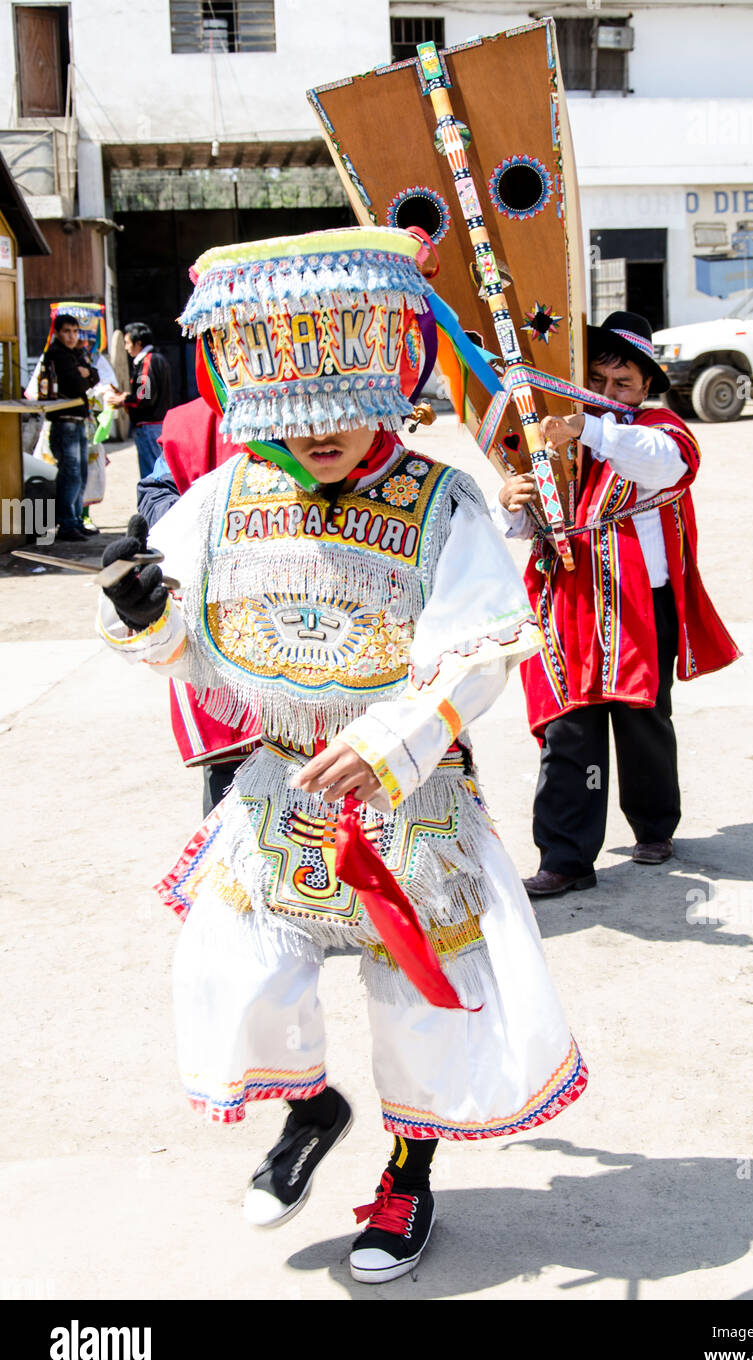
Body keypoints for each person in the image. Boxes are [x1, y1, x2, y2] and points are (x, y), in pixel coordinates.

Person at [96, 228, 587, 1285]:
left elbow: (480, 646)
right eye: (295, 412)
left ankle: (407, 1178)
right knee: (233, 967)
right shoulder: (226, 498)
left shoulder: (439, 498)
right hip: (276, 784)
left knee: (421, 997)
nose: (319, 432)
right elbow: (192, 653)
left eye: (341, 408)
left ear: (386, 386)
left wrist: (389, 739)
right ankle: (311, 1106)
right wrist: (142, 610)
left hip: (409, 804)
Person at [496, 312, 740, 897]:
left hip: (637, 602)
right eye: (597, 381)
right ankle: (566, 858)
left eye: (621, 384)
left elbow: (662, 462)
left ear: (646, 387)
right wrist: (511, 498)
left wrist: (587, 426)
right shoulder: (553, 436)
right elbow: (531, 524)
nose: (606, 395)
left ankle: (655, 827)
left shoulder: (657, 432)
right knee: (568, 729)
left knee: (643, 720)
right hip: (566, 600)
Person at [136, 396, 260, 814]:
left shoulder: (347, 405)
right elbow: (157, 488)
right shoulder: (200, 420)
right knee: (234, 802)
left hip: (331, 650)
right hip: (226, 630)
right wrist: (187, 531)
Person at [43, 313, 99, 542]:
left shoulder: (76, 352)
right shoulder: (56, 353)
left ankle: (76, 520)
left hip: (78, 421)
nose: (71, 336)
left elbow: (94, 376)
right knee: (71, 474)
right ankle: (66, 524)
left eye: (75, 331)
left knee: (81, 474)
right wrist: (84, 375)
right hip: (63, 422)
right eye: (67, 331)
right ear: (57, 333)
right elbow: (77, 385)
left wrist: (86, 374)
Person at [108, 322, 172, 480]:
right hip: (158, 424)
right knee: (160, 472)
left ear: (138, 343)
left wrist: (122, 400)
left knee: (153, 477)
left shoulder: (147, 361)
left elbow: (144, 397)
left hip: (148, 427)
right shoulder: (159, 359)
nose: (125, 348)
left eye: (127, 343)